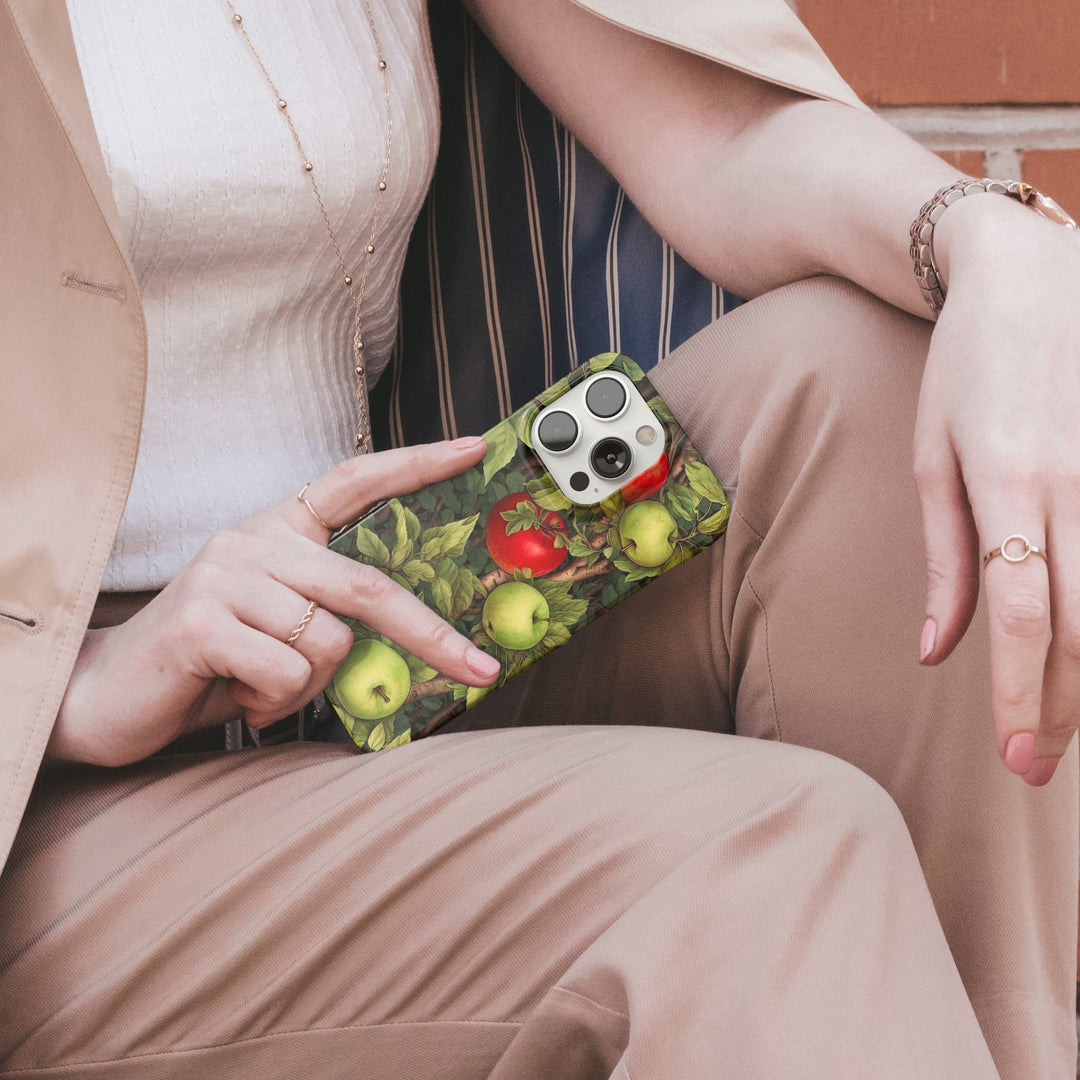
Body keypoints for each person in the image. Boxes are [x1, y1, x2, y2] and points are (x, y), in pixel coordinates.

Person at [0, 0, 1075, 1077]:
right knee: (765, 851)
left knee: (881, 376)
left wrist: (989, 243)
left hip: (369, 636)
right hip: (52, 803)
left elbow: (726, 136)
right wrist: (78, 679)